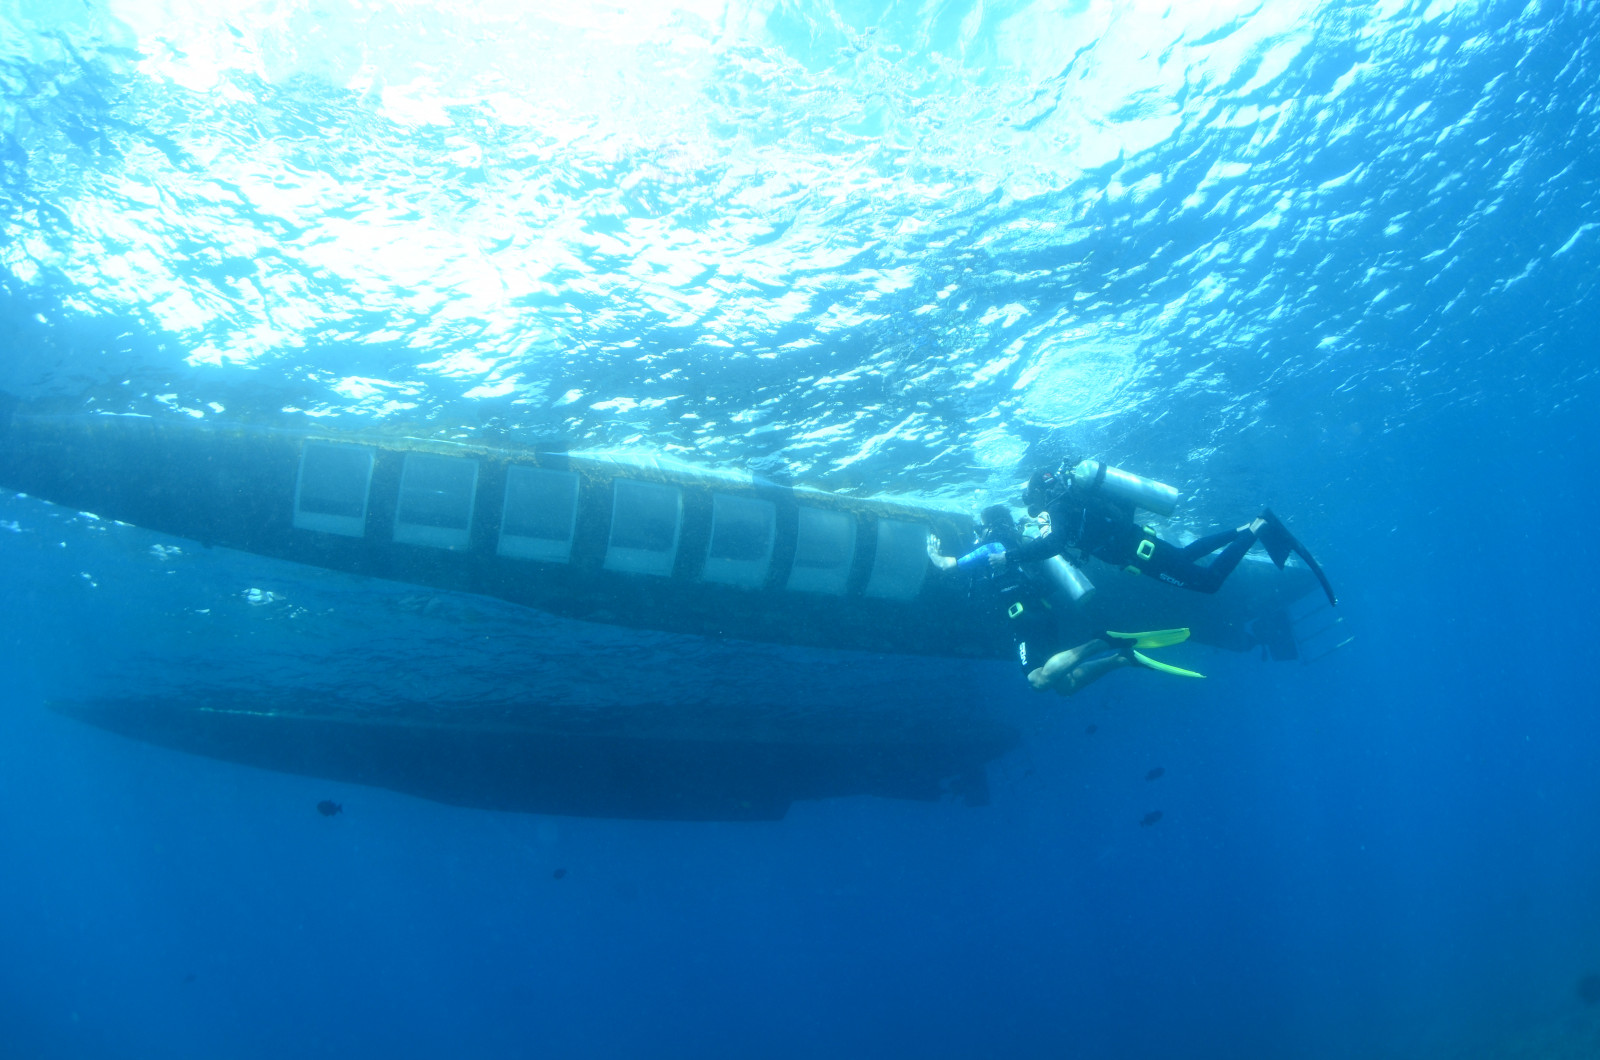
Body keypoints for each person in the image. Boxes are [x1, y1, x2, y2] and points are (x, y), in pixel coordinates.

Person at [929, 507, 1203, 696]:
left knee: (1038, 681)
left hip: (1024, 618)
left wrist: (931, 551)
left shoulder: (992, 547)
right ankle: (1121, 659)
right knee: (1065, 685)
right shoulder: (1021, 541)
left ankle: (1103, 642)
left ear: (989, 525)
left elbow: (946, 565)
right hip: (1042, 613)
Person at [1003, 462, 1338, 607]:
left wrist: (1010, 556)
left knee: (1207, 583)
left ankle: (1257, 528)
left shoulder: (1060, 506)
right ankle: (1243, 529)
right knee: (1186, 555)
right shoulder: (1071, 498)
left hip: (1138, 553)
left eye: (1033, 501)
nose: (1035, 507)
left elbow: (1055, 543)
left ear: (1037, 493)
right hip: (1138, 543)